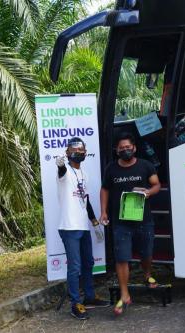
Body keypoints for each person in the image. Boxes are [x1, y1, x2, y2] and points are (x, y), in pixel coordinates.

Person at [100, 132, 161, 316]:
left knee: (147, 253)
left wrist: (148, 193)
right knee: (122, 257)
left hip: (144, 220)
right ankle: (125, 293)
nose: (125, 150)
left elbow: (156, 184)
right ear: (116, 150)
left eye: (128, 147)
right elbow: (105, 189)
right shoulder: (111, 169)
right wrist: (103, 211)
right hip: (121, 222)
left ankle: (147, 274)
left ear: (134, 148)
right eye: (121, 148)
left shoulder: (145, 165)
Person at [56, 137, 109, 320]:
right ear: (68, 152)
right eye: (75, 149)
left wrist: (94, 223)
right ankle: (75, 304)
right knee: (75, 267)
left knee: (88, 263)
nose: (79, 152)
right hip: (69, 227)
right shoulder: (65, 173)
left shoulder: (84, 174)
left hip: (83, 226)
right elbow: (61, 170)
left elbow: (85, 200)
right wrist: (60, 165)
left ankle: (90, 297)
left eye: (82, 150)